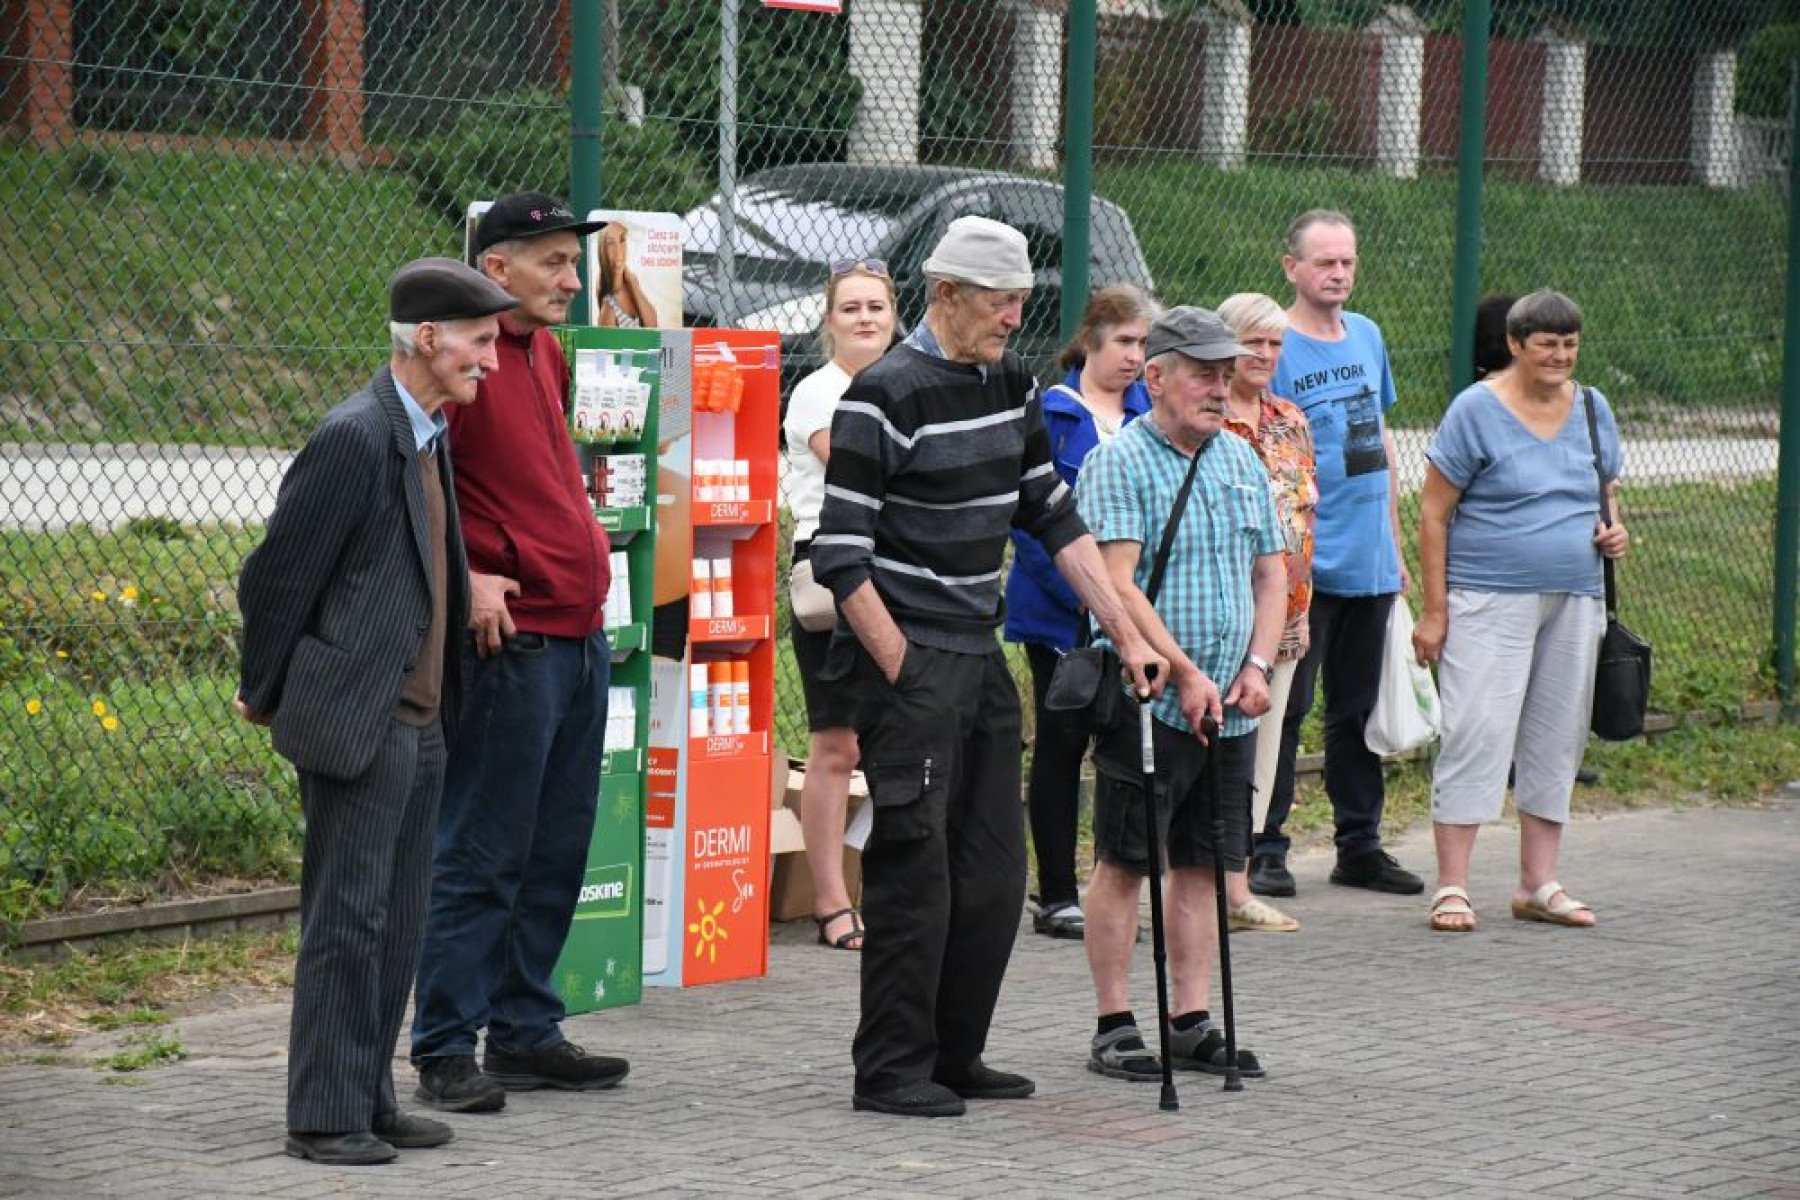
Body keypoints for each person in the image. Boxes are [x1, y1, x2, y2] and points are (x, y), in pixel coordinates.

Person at [811, 215, 1165, 1119]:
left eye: (1021, 302)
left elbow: (1050, 512)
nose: (1015, 319)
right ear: (947, 295)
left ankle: (956, 1055)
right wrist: (904, 668)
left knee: (996, 876)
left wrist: (1126, 633)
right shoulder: (883, 394)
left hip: (981, 651)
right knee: (915, 871)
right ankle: (891, 1070)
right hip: (911, 654)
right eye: (1000, 303)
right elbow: (841, 554)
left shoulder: (1011, 382)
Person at [235, 257, 515, 1165]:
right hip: (363, 717)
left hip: (420, 719)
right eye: (479, 342)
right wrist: (263, 687)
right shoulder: (356, 436)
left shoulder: (427, 435)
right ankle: (323, 1115)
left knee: (397, 921)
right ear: (427, 339)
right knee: (348, 920)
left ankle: (368, 1097)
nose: (492, 361)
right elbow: (277, 577)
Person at [410, 193, 628, 1113]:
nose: (572, 279)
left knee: (556, 845)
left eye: (574, 262)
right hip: (516, 641)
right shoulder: (466, 357)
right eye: (553, 262)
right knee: (484, 849)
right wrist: (468, 577)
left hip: (579, 634)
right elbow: (415, 476)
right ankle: (444, 1044)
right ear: (496, 268)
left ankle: (525, 1031)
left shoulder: (541, 351)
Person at [1077, 305, 1286, 1082]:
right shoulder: (1121, 462)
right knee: (1126, 862)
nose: (1220, 387)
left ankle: (1190, 1020)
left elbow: (1271, 573)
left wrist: (1256, 666)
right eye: (1203, 374)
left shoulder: (1240, 460)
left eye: (1225, 374)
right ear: (1157, 377)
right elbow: (1118, 584)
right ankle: (1114, 1023)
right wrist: (1187, 671)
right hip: (1152, 699)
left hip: (1229, 707)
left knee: (1202, 865)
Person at [1412, 289, 1629, 933]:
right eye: (1547, 344)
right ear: (1514, 344)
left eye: (1570, 344)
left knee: (1557, 735)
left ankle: (1538, 883)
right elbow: (1433, 513)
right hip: (1487, 595)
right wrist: (1434, 611)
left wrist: (1614, 530)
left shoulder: (1592, 406)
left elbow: (1605, 489)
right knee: (1477, 730)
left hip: (1577, 595)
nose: (1561, 356)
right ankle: (1452, 885)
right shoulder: (1475, 409)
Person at [1249, 209, 1425, 900]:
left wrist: (1394, 547)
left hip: (1369, 562)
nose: (1339, 273)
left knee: (1356, 709)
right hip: (1304, 568)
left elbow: (1379, 439)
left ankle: (1360, 845)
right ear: (1291, 267)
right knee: (1286, 708)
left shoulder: (1368, 335)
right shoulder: (1277, 346)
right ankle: (1264, 847)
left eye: (1347, 261)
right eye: (1325, 262)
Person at [1003, 285, 1159, 942]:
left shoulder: (1151, 415)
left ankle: (1111, 891)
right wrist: (1087, 597)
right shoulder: (1052, 413)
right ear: (1091, 338)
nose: (1135, 356)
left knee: (1125, 751)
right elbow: (1030, 522)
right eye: (1124, 341)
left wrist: (1132, 609)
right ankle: (1057, 894)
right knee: (1062, 745)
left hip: (1138, 617)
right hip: (1059, 614)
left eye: (1143, 344)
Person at [783, 258, 898, 951]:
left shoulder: (909, 384)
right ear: (830, 320)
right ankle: (829, 899)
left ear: (894, 315)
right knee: (837, 744)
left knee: (906, 738)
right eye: (850, 307)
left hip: (902, 577)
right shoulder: (817, 393)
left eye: (876, 307)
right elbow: (865, 472)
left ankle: (886, 886)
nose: (864, 318)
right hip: (833, 578)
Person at [1216, 292, 1314, 935]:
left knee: (1266, 754)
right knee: (1226, 749)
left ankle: (1238, 882)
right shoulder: (1211, 418)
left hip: (1289, 615)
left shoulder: (1290, 418)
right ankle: (1210, 883)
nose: (1266, 353)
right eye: (1253, 341)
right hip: (1228, 611)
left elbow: (1306, 510)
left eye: (1276, 343)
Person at [595, 221, 659, 329]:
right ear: (603, 250)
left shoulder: (631, 282)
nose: (618, 251)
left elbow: (653, 325)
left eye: (622, 240)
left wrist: (633, 284)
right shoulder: (609, 307)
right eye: (610, 243)